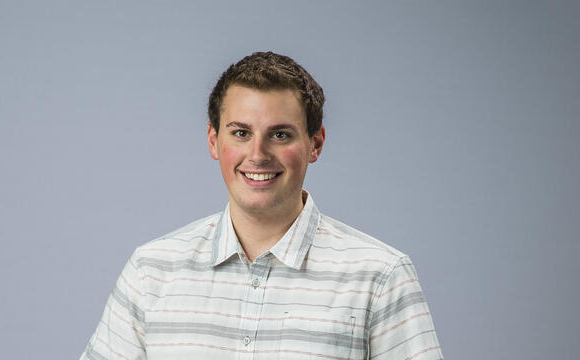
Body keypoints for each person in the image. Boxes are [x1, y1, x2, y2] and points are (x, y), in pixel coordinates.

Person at [80, 51, 443, 360]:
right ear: (213, 140)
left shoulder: (379, 276)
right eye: (241, 133)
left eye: (280, 134)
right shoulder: (151, 271)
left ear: (315, 144)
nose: (257, 154)